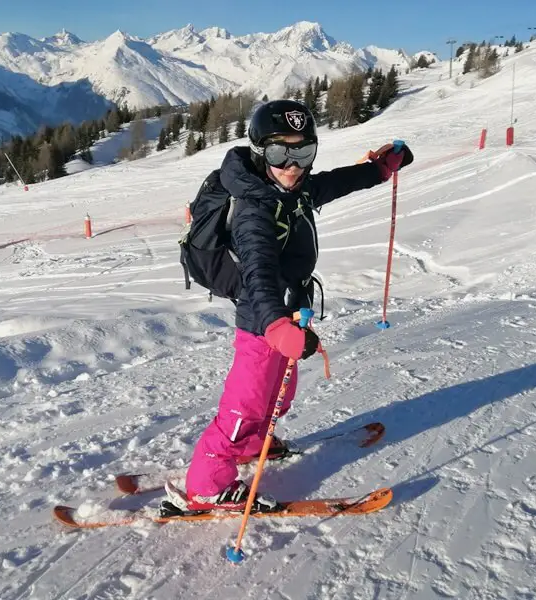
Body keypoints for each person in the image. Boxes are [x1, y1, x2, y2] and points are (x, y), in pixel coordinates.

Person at [172, 99, 414, 512]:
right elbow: (259, 273)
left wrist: (379, 169)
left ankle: (251, 446)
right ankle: (206, 485)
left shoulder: (292, 187)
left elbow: (336, 182)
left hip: (289, 314)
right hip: (262, 319)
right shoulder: (253, 208)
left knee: (279, 395)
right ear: (258, 151)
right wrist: (275, 326)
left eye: (303, 151)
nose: (293, 164)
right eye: (280, 151)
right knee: (246, 404)